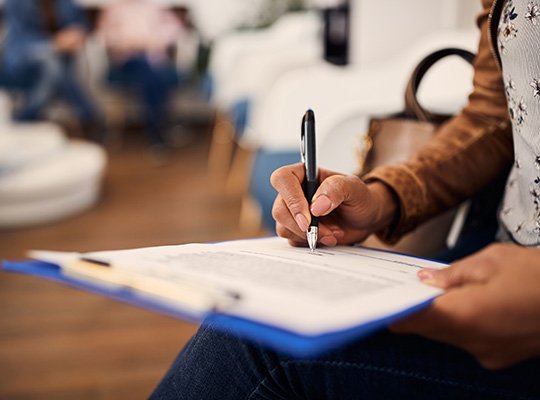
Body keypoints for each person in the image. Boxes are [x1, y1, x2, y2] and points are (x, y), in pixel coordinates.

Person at [150, 0, 540, 398]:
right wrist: (382, 196)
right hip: (496, 252)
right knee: (269, 315)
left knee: (260, 344)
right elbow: (493, 117)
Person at [1, 0, 104, 140]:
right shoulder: (16, 3)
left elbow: (81, 22)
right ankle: (90, 118)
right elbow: (21, 39)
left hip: (56, 65)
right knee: (53, 65)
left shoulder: (65, 3)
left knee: (54, 68)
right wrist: (54, 43)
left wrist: (75, 34)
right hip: (22, 63)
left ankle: (23, 119)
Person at [97, 0, 188, 153]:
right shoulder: (114, 10)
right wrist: (130, 43)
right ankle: (161, 129)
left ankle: (156, 134)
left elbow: (175, 29)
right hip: (127, 62)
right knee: (148, 70)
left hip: (154, 61)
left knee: (150, 74)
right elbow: (106, 36)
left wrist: (156, 41)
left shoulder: (154, 8)